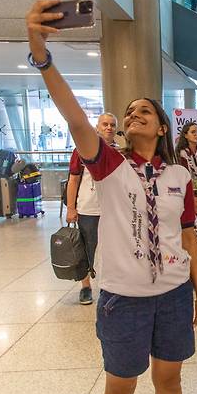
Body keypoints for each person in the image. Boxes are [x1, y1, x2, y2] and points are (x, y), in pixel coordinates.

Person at [26, 0, 197, 394]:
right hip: (123, 297)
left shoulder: (178, 175)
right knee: (120, 388)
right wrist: (41, 57)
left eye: (144, 111)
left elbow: (187, 239)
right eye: (129, 112)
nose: (134, 115)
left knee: (170, 380)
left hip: (174, 293)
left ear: (162, 126)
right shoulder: (111, 165)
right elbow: (76, 120)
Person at [66, 112, 118, 305]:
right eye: (105, 124)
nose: (109, 128)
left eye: (112, 125)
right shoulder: (82, 150)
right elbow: (73, 179)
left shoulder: (119, 152)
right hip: (88, 208)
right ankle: (85, 286)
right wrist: (71, 208)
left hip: (112, 210)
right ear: (97, 127)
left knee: (112, 249)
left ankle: (109, 285)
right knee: (87, 248)